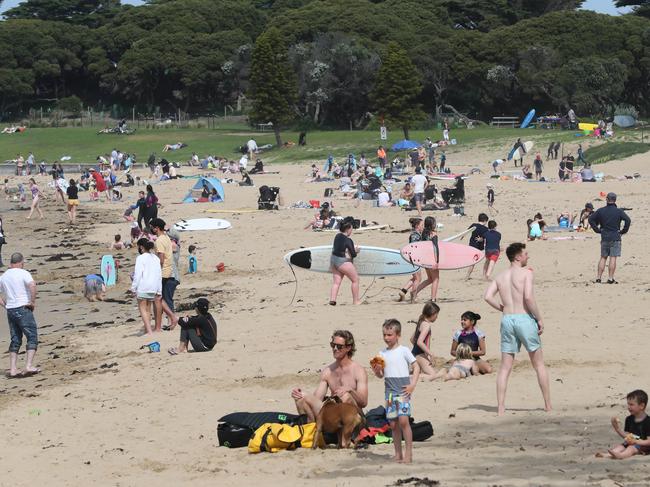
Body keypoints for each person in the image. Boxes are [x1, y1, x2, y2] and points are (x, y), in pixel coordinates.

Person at [483, 242, 551, 415]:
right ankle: (548, 404)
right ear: (518, 257)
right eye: (525, 254)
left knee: (505, 367)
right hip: (524, 319)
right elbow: (528, 297)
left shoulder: (501, 276)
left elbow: (487, 296)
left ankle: (500, 407)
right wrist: (539, 318)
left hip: (507, 319)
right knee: (539, 364)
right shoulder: (526, 273)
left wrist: (502, 308)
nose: (528, 256)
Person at [291, 330, 368, 422]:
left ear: (348, 348)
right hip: (333, 415)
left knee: (345, 396)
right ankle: (309, 430)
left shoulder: (358, 370)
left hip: (354, 417)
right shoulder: (328, 371)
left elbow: (363, 402)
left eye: (339, 346)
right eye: (333, 345)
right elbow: (317, 398)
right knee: (301, 397)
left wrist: (350, 390)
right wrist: (300, 394)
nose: (335, 348)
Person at [371, 319, 420, 464]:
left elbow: (416, 367)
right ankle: (397, 453)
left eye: (390, 335)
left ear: (398, 335)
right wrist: (377, 371)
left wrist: (412, 385)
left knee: (404, 421)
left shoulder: (404, 350)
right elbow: (380, 375)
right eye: (384, 335)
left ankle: (408, 454)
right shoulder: (382, 353)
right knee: (393, 424)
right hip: (390, 393)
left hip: (403, 391)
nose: (386, 338)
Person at [0, 253, 40, 377]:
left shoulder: (4, 276)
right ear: (21, 262)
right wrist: (32, 302)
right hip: (23, 307)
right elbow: (32, 285)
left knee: (15, 338)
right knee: (32, 336)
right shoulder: (24, 273)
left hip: (11, 309)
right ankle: (28, 366)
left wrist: (5, 305)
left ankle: (13, 368)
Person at [588, 192, 631, 284]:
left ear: (607, 199)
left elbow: (590, 219)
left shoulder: (601, 210)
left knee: (603, 257)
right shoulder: (619, 211)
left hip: (604, 236)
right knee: (613, 258)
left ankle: (598, 278)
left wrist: (597, 230)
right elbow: (628, 220)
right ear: (615, 200)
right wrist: (624, 231)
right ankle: (610, 278)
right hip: (615, 236)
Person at [596, 390, 650, 459]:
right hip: (632, 442)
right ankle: (608, 455)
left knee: (631, 448)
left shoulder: (648, 421)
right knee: (621, 446)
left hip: (644, 446)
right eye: (628, 404)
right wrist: (617, 428)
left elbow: (649, 442)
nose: (628, 407)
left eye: (631, 404)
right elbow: (627, 437)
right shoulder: (629, 419)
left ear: (642, 406)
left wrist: (637, 441)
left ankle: (621, 456)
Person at [130, 238, 162, 336]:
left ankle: (149, 331)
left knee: (143, 309)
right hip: (153, 287)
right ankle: (146, 329)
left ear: (141, 247)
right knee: (148, 309)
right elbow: (159, 274)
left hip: (143, 286)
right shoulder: (156, 258)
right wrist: (159, 290)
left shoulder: (141, 258)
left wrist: (133, 287)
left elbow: (138, 274)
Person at [151, 219, 178, 331]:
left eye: (152, 227)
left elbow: (161, 259)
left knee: (158, 298)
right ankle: (163, 323)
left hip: (163, 273)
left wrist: (155, 271)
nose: (151, 229)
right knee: (162, 298)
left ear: (156, 228)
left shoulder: (159, 241)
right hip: (169, 271)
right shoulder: (166, 237)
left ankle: (171, 319)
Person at [329, 217, 361, 306]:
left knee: (336, 282)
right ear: (348, 229)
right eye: (351, 229)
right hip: (343, 262)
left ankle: (333, 300)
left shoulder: (337, 236)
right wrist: (357, 251)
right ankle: (356, 301)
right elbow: (353, 254)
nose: (352, 231)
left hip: (333, 260)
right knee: (355, 280)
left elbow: (338, 248)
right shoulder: (348, 240)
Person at [410, 302, 442, 381]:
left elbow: (412, 339)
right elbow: (419, 342)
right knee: (433, 375)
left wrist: (425, 353)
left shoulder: (421, 322)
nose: (437, 317)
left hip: (414, 353)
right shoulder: (427, 325)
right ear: (433, 314)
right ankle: (407, 378)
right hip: (419, 355)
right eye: (437, 315)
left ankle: (411, 375)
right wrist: (431, 354)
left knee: (421, 372)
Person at [411, 216, 440, 303]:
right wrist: (436, 261)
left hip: (425, 259)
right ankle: (433, 298)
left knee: (430, 279)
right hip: (431, 259)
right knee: (436, 279)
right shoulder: (433, 234)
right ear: (432, 224)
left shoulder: (423, 233)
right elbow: (435, 248)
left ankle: (414, 292)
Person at [398, 218, 423, 301]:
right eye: (421, 225)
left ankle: (403, 291)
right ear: (417, 226)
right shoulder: (415, 235)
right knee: (418, 279)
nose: (423, 227)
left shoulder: (416, 234)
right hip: (413, 259)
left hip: (412, 259)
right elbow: (414, 247)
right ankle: (414, 295)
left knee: (415, 277)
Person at [466, 213, 489, 279]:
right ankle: (467, 276)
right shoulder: (485, 229)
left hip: (471, 245)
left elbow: (467, 231)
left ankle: (468, 275)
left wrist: (462, 236)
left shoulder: (474, 225)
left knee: (472, 261)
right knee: (473, 262)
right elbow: (484, 238)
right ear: (485, 221)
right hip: (477, 247)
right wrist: (481, 239)